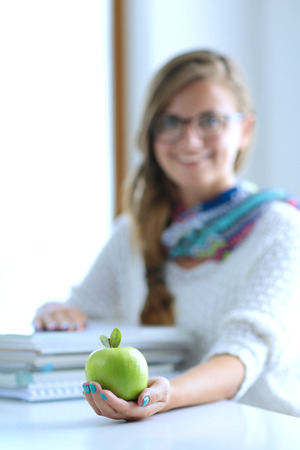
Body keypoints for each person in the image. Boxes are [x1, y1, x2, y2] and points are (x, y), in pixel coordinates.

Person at [33, 49, 300, 419]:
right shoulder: (133, 231)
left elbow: (244, 352)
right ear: (152, 133)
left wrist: (166, 395)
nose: (189, 141)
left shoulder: (281, 227)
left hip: (263, 432)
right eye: (171, 121)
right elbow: (84, 311)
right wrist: (57, 314)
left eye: (209, 120)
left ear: (245, 129)